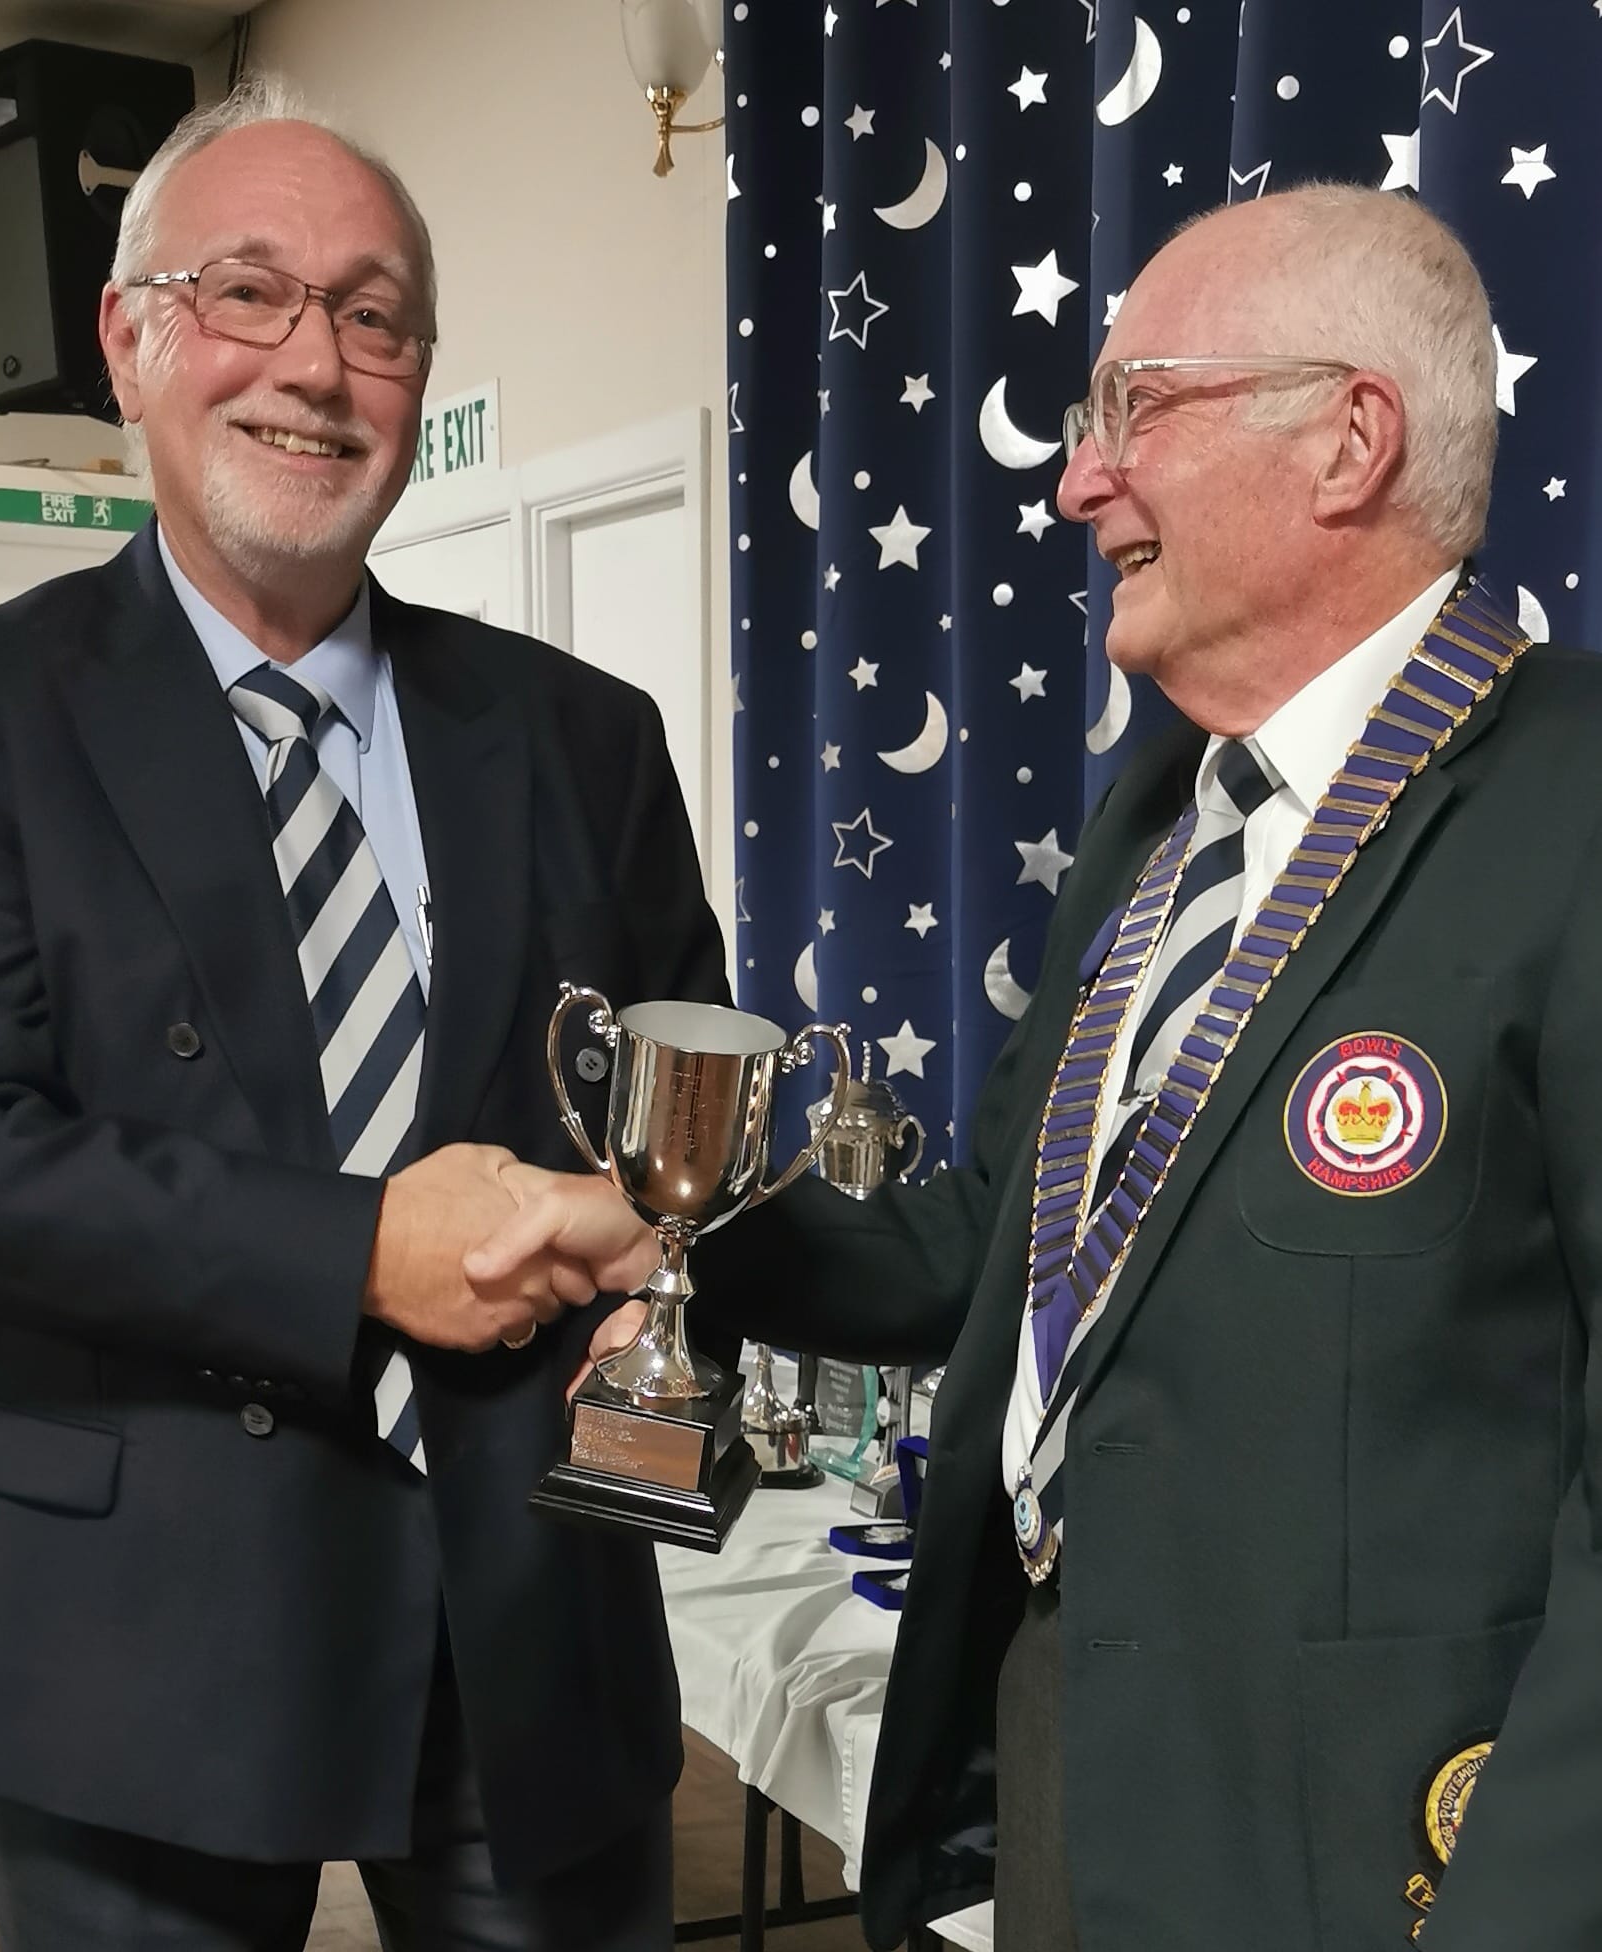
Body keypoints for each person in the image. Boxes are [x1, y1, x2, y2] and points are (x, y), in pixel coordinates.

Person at [471, 183, 1602, 1951]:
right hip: (1069, 1779)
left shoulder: (1578, 808)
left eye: (1135, 406)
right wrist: (668, 1233)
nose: (1079, 481)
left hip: (1395, 1861)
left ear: (1349, 441)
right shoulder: (1160, 814)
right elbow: (996, 1240)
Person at [0, 77, 727, 1952]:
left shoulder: (583, 737)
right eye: (249, 295)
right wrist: (363, 1246)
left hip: (532, 1621)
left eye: (374, 316)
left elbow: (688, 1117)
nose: (316, 364)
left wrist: (669, 1259)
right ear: (129, 342)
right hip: (140, 1641)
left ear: (417, 379)